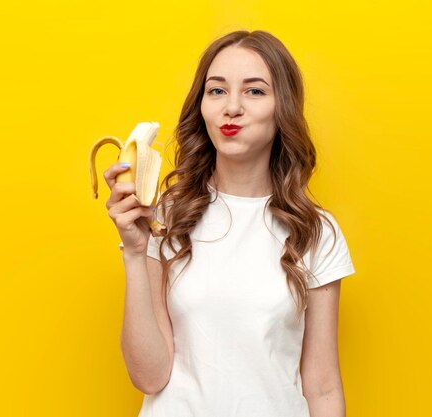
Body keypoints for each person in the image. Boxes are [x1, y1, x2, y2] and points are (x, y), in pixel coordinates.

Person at [103, 30, 356, 417]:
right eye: (217, 90)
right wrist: (136, 254)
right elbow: (149, 377)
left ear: (282, 106)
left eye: (254, 91)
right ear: (201, 105)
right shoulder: (166, 216)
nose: (231, 107)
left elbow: (321, 386)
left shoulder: (316, 231)